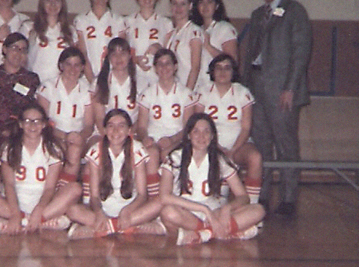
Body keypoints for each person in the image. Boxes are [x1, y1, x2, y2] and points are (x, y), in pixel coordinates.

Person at [242, 0, 312, 216]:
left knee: (286, 144)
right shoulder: (258, 13)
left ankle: (289, 198)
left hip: (282, 89)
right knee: (260, 144)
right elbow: (251, 52)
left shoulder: (295, 11)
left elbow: (300, 52)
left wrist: (290, 88)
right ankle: (261, 195)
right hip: (257, 87)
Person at [159, 113, 265, 245]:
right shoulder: (175, 157)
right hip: (186, 213)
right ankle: (225, 232)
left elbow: (243, 197)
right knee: (168, 212)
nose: (201, 136)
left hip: (215, 214)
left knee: (258, 210)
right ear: (188, 135)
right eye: (196, 131)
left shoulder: (219, 159)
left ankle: (205, 234)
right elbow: (164, 197)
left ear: (212, 136)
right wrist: (204, 209)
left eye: (206, 131)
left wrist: (227, 209)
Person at [0, 102, 82, 235]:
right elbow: (9, 185)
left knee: (75, 189)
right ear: (20, 124)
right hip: (15, 203)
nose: (32, 125)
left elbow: (49, 188)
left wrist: (39, 209)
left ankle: (23, 223)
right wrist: (15, 214)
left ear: (44, 124)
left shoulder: (53, 148)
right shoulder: (9, 148)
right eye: (27, 121)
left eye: (37, 121)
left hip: (45, 203)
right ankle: (38, 222)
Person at [67, 109, 165, 239]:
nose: (116, 131)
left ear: (129, 130)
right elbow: (94, 196)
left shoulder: (137, 149)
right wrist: (99, 212)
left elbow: (142, 195)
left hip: (131, 211)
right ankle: (129, 228)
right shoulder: (95, 151)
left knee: (159, 203)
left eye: (121, 126)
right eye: (111, 126)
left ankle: (104, 228)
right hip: (104, 210)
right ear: (105, 130)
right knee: (72, 210)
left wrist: (127, 211)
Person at [0, 32, 40, 192]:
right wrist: (0, 129)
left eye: (23, 49)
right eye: (14, 48)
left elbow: (34, 110)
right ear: (4, 49)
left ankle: (18, 188)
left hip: (23, 131)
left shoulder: (31, 79)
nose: (18, 53)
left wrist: (19, 128)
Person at [195, 54, 262, 204]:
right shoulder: (203, 91)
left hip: (238, 145)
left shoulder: (242, 92)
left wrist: (232, 150)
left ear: (233, 71)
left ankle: (252, 206)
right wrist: (217, 148)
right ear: (212, 71)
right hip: (210, 145)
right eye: (218, 68)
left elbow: (246, 127)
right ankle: (220, 202)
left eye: (227, 68)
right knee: (218, 167)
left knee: (255, 158)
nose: (222, 72)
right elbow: (197, 124)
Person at [137, 49, 196, 195]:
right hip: (154, 138)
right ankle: (154, 199)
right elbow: (142, 125)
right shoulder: (147, 93)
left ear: (175, 66)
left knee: (169, 154)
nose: (164, 68)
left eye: (168, 63)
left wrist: (172, 140)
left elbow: (189, 127)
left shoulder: (186, 93)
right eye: (160, 64)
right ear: (155, 68)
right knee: (151, 153)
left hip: (178, 139)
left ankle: (174, 195)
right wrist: (145, 138)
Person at [37, 46, 94, 180]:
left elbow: (89, 125)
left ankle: (63, 189)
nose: (72, 69)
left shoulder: (87, 90)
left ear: (82, 68)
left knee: (74, 149)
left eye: (77, 65)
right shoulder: (47, 87)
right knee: (60, 149)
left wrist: (79, 137)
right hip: (53, 135)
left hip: (77, 138)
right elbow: (41, 121)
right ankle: (58, 189)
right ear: (61, 65)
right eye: (68, 64)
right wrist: (63, 135)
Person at [124, 0, 173, 92]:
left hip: (158, 75)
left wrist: (159, 48)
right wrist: (135, 59)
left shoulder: (166, 23)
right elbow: (123, 50)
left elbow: (171, 53)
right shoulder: (128, 21)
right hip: (134, 75)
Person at [74, 0, 125, 81]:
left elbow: (121, 52)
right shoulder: (81, 20)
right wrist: (92, 80)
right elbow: (82, 53)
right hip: (86, 78)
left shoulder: (118, 20)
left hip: (112, 78)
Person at [28, 0, 78, 83]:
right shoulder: (30, 29)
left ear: (62, 4)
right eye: (48, 0)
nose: (52, 4)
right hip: (37, 83)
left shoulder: (71, 31)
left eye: (57, 0)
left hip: (61, 85)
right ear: (42, 4)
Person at [191, 0, 239, 84]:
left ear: (216, 5)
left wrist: (208, 46)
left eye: (209, 1)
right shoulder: (195, 29)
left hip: (217, 86)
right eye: (201, 2)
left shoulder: (225, 28)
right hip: (199, 86)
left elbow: (233, 61)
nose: (205, 6)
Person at [92, 37, 138, 135]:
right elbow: (99, 118)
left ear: (130, 55)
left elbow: (141, 119)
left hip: (132, 134)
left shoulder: (141, 82)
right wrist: (109, 138)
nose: (118, 58)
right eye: (114, 54)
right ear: (108, 58)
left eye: (123, 53)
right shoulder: (99, 81)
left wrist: (128, 136)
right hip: (105, 134)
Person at [164, 0, 204, 90]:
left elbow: (195, 67)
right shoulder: (172, 34)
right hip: (176, 89)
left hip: (192, 89)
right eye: (175, 3)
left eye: (183, 4)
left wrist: (187, 94)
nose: (178, 8)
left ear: (190, 6)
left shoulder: (194, 31)